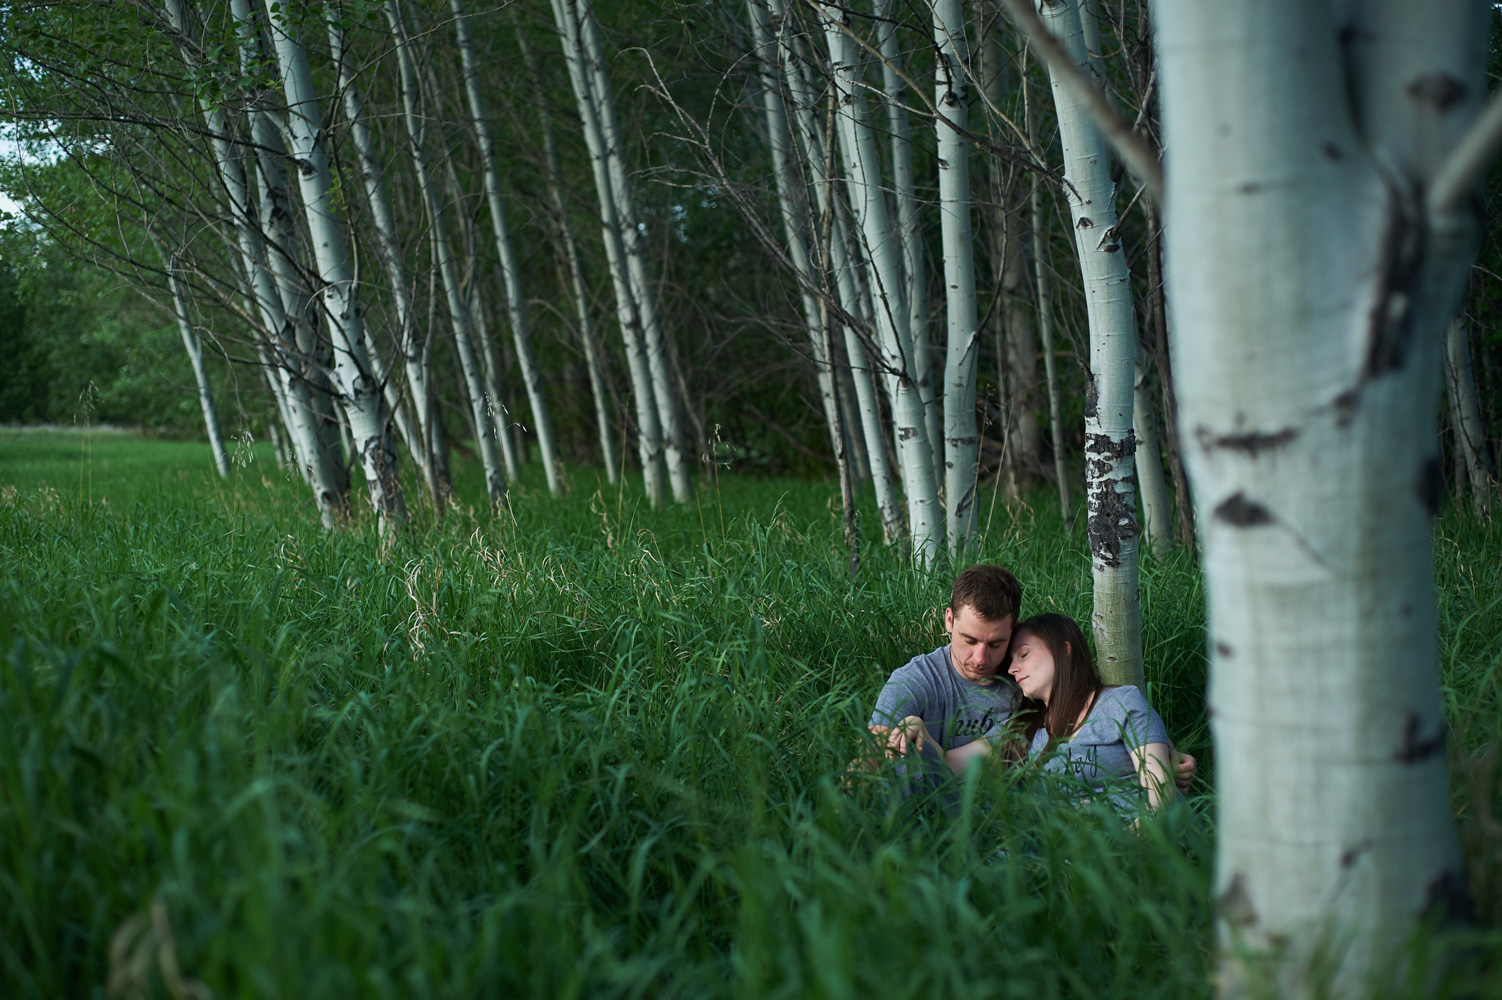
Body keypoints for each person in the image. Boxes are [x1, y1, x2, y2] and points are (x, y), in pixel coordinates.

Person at [868, 565, 1194, 795]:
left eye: (998, 645)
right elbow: (875, 754)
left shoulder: (1035, 683)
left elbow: (1102, 713)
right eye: (969, 640)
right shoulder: (918, 679)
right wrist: (912, 732)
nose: (983, 658)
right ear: (949, 620)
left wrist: (1167, 754)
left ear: (1013, 630)